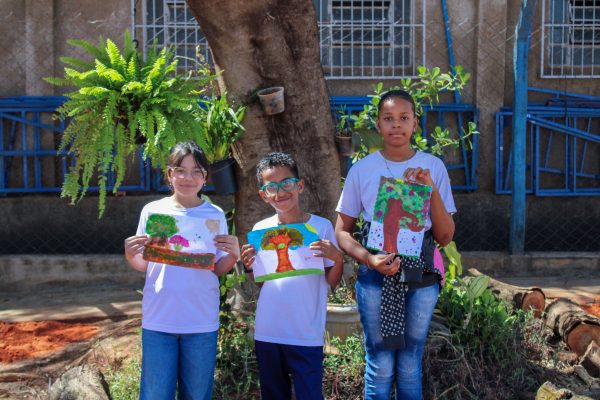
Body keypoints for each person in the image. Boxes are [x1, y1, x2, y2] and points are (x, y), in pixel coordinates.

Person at [334, 89, 456, 400]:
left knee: (410, 361)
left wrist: (430, 188)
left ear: (415, 123)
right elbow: (342, 232)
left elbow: (445, 237)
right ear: (378, 125)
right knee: (380, 361)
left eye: (404, 118)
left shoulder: (433, 167)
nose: (396, 124)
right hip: (375, 274)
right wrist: (368, 259)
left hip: (421, 276)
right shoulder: (362, 169)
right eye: (388, 118)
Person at [124, 141, 240, 400]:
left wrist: (233, 256)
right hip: (159, 318)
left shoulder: (215, 215)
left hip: (200, 320)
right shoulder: (153, 211)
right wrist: (131, 255)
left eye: (197, 171)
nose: (188, 178)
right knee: (155, 393)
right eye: (181, 170)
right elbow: (145, 265)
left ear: (205, 177)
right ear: (169, 174)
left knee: (197, 394)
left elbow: (217, 268)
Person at [240, 152, 344, 400]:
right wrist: (249, 266)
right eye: (272, 187)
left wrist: (338, 258)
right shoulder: (260, 230)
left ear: (300, 185)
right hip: (268, 331)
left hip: (306, 332)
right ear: (264, 195)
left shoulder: (320, 227)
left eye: (287, 183)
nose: (281, 192)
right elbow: (261, 283)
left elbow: (332, 281)